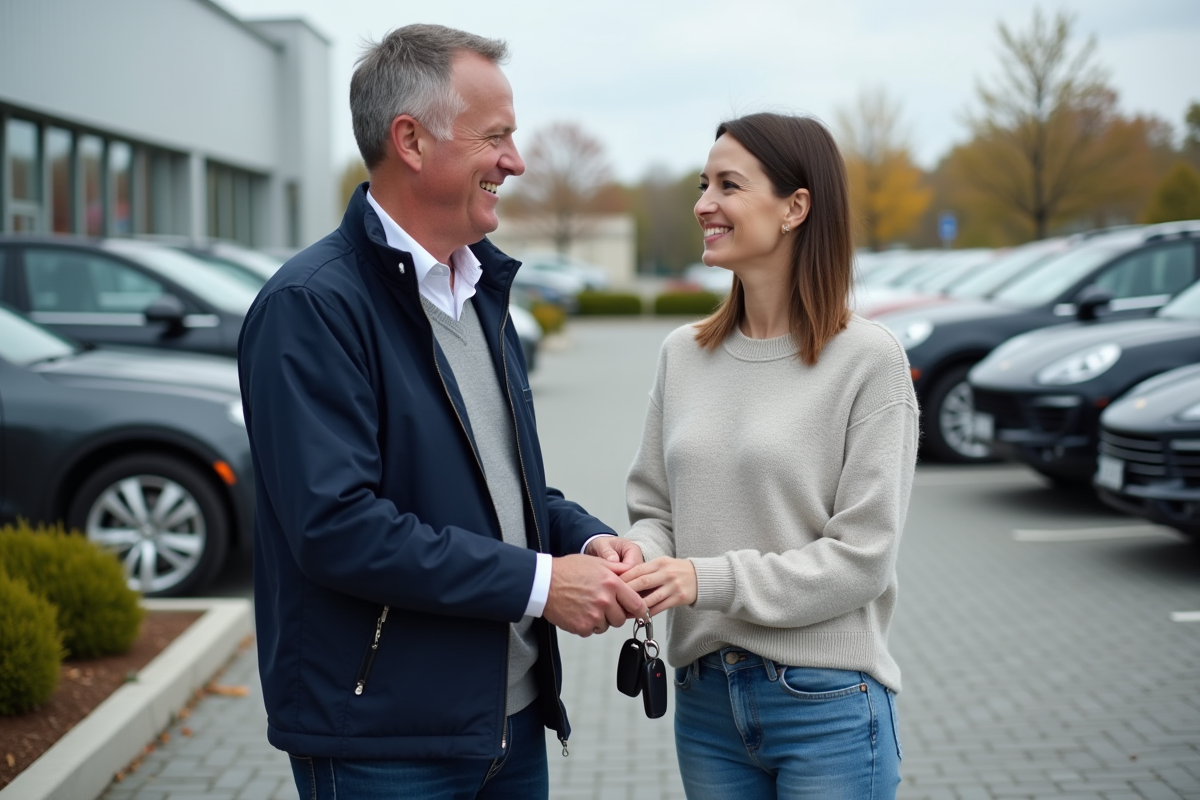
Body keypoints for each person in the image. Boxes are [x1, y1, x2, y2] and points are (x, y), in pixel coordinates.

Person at [237, 24, 645, 800]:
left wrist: (586, 540)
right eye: (496, 137)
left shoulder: (478, 293)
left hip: (509, 727)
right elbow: (338, 528)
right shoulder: (311, 307)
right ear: (412, 141)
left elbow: (500, 493)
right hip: (382, 747)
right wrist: (539, 584)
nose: (516, 162)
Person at [618, 113, 918, 799]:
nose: (703, 204)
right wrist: (641, 556)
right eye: (703, 184)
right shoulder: (681, 354)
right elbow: (655, 507)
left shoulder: (869, 361)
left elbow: (862, 559)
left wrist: (704, 579)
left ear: (796, 207)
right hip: (704, 705)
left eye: (728, 185)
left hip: (826, 707)